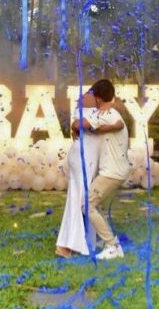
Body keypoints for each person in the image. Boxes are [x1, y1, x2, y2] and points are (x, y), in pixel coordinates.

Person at [55, 79, 129, 259]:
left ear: (98, 98)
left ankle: (110, 244)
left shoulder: (105, 113)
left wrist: (104, 126)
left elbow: (79, 125)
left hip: (109, 170)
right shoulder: (104, 113)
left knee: (86, 203)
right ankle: (99, 242)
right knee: (87, 202)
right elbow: (79, 125)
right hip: (95, 164)